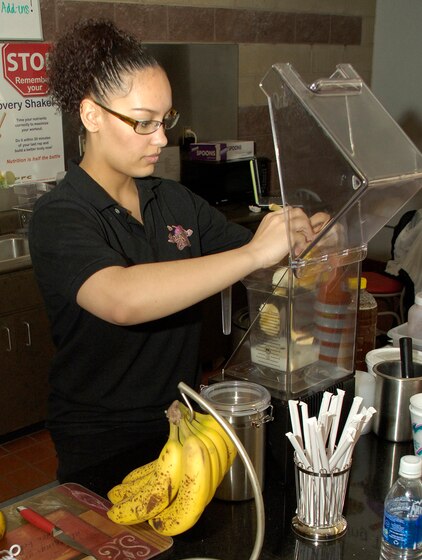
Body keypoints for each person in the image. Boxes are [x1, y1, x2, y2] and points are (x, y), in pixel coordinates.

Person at [29, 19, 328, 496]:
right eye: (143, 122)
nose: (161, 139)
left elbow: (258, 264)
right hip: (103, 439)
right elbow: (121, 298)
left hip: (184, 418)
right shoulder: (61, 215)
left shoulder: (173, 200)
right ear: (91, 115)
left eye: (164, 120)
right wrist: (254, 251)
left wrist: (311, 236)